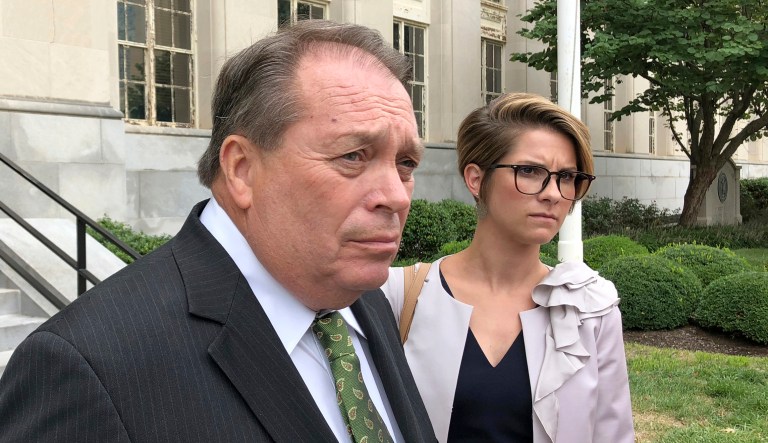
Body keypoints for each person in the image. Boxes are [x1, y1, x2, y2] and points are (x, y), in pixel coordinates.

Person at [0, 20, 435, 442]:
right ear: (242, 170)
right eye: (354, 156)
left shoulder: (362, 305)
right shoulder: (88, 365)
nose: (396, 196)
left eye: (406, 164)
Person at [382, 93, 634, 443]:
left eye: (567, 177)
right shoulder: (399, 295)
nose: (554, 193)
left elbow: (612, 434)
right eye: (529, 171)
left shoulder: (589, 308)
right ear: (475, 179)